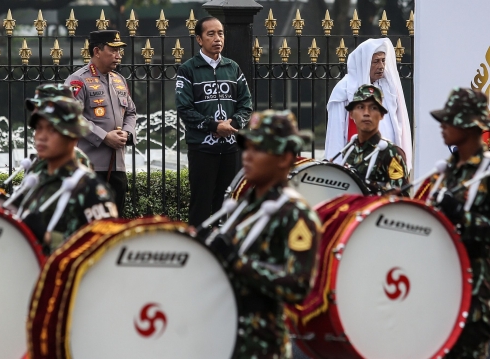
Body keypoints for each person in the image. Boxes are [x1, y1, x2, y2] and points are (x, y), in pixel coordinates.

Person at [200, 110, 321, 359]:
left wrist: (238, 263)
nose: (247, 156)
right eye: (247, 148)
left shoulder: (295, 214)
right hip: (226, 337)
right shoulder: (246, 205)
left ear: (285, 158)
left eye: (259, 149)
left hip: (263, 347)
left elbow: (297, 285)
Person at [427, 88, 490, 359]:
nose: (442, 126)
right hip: (439, 289)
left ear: (469, 125)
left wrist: (459, 216)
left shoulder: (486, 173)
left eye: (449, 120)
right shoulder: (446, 172)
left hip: (474, 297)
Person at [175, 16, 252, 227]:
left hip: (230, 149)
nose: (217, 38)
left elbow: (246, 104)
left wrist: (233, 124)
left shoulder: (233, 68)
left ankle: (221, 252)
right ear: (199, 39)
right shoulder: (188, 70)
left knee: (226, 203)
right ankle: (198, 248)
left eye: (220, 33)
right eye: (211, 34)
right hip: (202, 149)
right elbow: (184, 108)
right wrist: (214, 126)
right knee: (201, 205)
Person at [17, 97, 118, 254]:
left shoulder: (90, 188)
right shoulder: (38, 179)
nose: (41, 136)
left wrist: (48, 237)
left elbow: (104, 249)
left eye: (52, 130)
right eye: (39, 128)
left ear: (73, 136)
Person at [64, 30, 136, 216]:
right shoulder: (78, 80)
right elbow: (71, 117)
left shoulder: (119, 80)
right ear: (97, 51)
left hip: (117, 166)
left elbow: (131, 112)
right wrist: (104, 137)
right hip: (90, 167)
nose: (118, 55)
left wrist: (127, 134)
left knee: (115, 220)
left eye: (120, 51)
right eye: (113, 50)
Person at [325, 38, 412, 171]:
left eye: (383, 60)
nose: (381, 66)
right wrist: (336, 170)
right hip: (355, 164)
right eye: (376, 61)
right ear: (364, 63)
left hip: (387, 159)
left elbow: (399, 122)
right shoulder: (344, 89)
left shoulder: (387, 87)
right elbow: (335, 135)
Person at [341, 84, 410, 195]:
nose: (366, 113)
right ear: (351, 114)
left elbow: (402, 199)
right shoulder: (349, 149)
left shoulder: (391, 153)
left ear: (382, 115)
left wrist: (375, 190)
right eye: (360, 107)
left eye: (373, 108)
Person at [25, 83, 93, 170]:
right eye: (39, 128)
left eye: (52, 130)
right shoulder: (40, 162)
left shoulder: (79, 172)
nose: (35, 111)